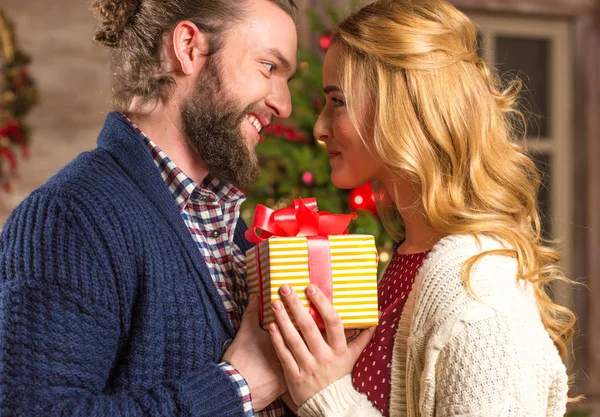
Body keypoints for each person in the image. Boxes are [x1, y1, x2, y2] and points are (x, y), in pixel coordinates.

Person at [266, 0, 577, 416]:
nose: (320, 127)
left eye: (337, 101)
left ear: (401, 109)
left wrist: (328, 397)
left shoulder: (479, 301)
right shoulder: (412, 258)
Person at [0, 0, 298, 416]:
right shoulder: (69, 216)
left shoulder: (227, 225)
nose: (283, 104)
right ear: (189, 47)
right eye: (268, 67)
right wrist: (237, 386)